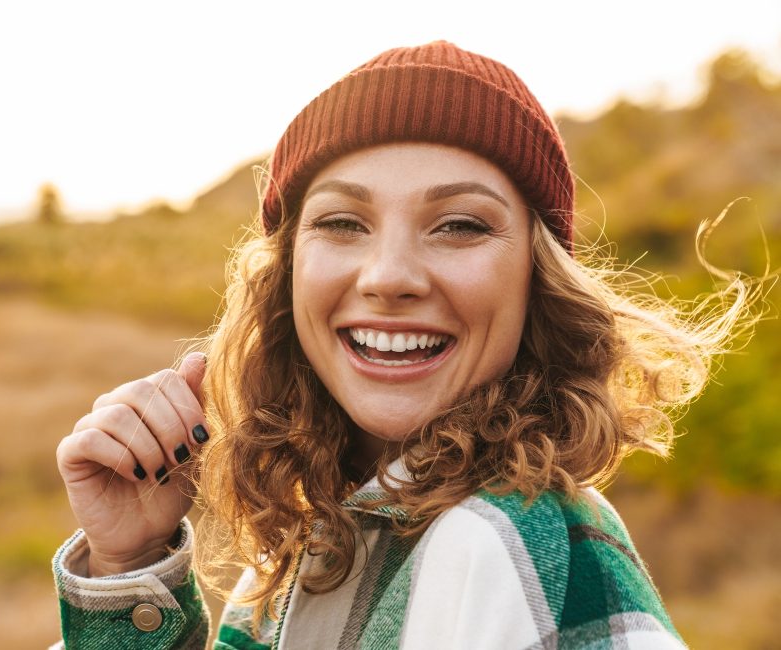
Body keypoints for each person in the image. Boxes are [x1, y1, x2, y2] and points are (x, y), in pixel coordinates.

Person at [51, 41, 751, 649]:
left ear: (538, 282)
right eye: (343, 222)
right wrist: (128, 562)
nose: (388, 277)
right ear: (288, 272)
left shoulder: (518, 546)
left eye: (460, 226)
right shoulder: (321, 541)